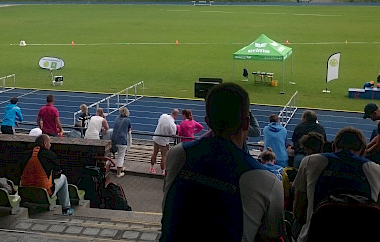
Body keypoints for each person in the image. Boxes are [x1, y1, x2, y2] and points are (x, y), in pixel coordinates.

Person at [161, 83, 285, 242]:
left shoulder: (177, 155)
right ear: (246, 123)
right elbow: (273, 237)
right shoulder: (268, 181)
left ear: (208, 122)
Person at [293, 126, 380, 242]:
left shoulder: (309, 162)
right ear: (363, 151)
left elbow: (298, 212)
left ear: (334, 147)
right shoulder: (377, 170)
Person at [20, 134, 74, 216]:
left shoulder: (25, 154)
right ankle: (66, 208)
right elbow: (58, 171)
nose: (50, 145)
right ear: (45, 143)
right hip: (44, 192)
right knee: (63, 178)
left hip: (25, 191)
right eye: (49, 143)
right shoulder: (49, 155)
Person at [150, 108, 179, 175]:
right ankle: (163, 171)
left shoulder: (163, 116)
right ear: (177, 115)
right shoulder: (172, 125)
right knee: (164, 156)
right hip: (163, 141)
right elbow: (173, 135)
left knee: (154, 153)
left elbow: (159, 122)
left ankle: (152, 168)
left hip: (156, 137)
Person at [110, 107, 132, 178]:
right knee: (121, 156)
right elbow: (129, 131)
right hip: (122, 140)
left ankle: (121, 167)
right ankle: (118, 173)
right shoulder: (128, 120)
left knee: (119, 155)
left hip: (114, 139)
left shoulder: (116, 118)